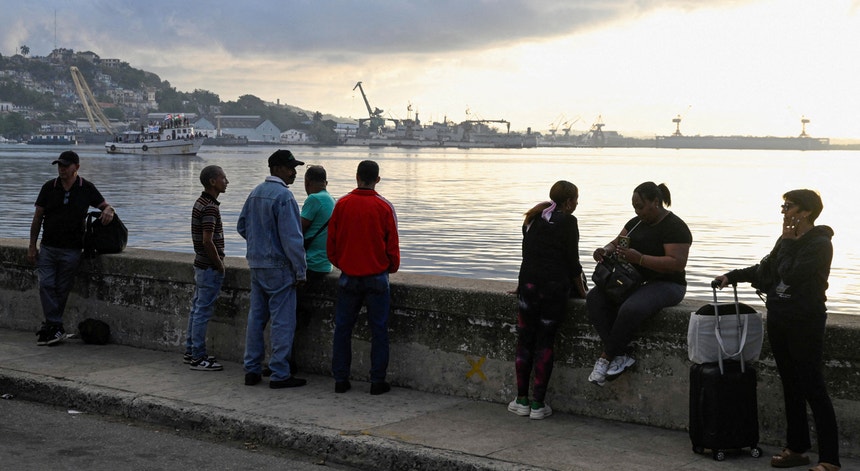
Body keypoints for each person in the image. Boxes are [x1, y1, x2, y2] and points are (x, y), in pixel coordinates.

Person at [714, 190, 840, 471]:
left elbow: (791, 274)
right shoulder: (786, 242)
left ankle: (830, 459)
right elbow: (766, 270)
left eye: (789, 206)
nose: (784, 211)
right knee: (791, 386)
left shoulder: (819, 244)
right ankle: (796, 449)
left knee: (813, 387)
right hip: (779, 318)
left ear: (806, 212)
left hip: (805, 321)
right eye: (783, 206)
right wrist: (732, 276)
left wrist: (788, 244)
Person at [586, 181, 692, 386]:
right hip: (633, 280)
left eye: (640, 206)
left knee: (631, 308)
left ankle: (606, 357)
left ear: (656, 202)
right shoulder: (635, 222)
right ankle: (621, 355)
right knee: (594, 299)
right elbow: (617, 242)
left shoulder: (675, 227)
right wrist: (605, 250)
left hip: (668, 283)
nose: (637, 211)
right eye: (634, 206)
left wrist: (640, 259)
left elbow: (677, 264)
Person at [507, 181, 586, 420]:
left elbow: (527, 255)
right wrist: (583, 292)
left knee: (524, 342)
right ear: (569, 201)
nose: (577, 203)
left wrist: (521, 286)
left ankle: (521, 400)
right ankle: (538, 404)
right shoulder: (568, 222)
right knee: (545, 343)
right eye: (577, 199)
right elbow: (573, 263)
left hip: (529, 286)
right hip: (553, 290)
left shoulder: (532, 218)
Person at [327, 160, 400, 395]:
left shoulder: (342, 204)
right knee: (379, 330)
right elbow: (392, 245)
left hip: (349, 276)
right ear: (377, 179)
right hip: (377, 277)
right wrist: (390, 267)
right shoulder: (384, 207)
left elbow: (332, 244)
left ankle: (341, 379)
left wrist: (343, 264)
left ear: (356, 176)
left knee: (343, 329)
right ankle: (377, 381)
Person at [29, 150, 116, 346]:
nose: (61, 170)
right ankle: (55, 326)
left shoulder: (87, 188)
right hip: (49, 247)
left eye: (65, 166)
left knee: (62, 289)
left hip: (72, 249)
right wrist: (32, 245)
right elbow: (37, 218)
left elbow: (105, 206)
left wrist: (109, 210)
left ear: (76, 167)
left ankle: (53, 327)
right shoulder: (48, 187)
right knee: (46, 285)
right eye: (59, 166)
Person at [237, 149, 308, 389]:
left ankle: (252, 369)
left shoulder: (256, 192)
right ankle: (279, 373)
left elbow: (242, 226)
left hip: (257, 264)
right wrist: (300, 271)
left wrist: (258, 246)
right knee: (282, 321)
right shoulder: (284, 197)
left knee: (256, 318)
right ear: (277, 169)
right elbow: (293, 240)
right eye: (291, 168)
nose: (294, 173)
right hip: (279, 267)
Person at [183, 165, 228, 371]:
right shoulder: (210, 207)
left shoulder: (200, 203)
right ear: (213, 182)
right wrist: (219, 265)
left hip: (200, 265)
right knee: (202, 311)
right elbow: (207, 241)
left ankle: (191, 351)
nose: (226, 182)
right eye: (223, 178)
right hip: (208, 267)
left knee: (196, 309)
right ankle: (198, 358)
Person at [293, 165, 335, 371]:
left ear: (307, 182)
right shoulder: (330, 200)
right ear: (325, 182)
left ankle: (286, 363)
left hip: (309, 265)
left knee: (290, 317)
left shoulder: (314, 199)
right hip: (324, 264)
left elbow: (297, 230)